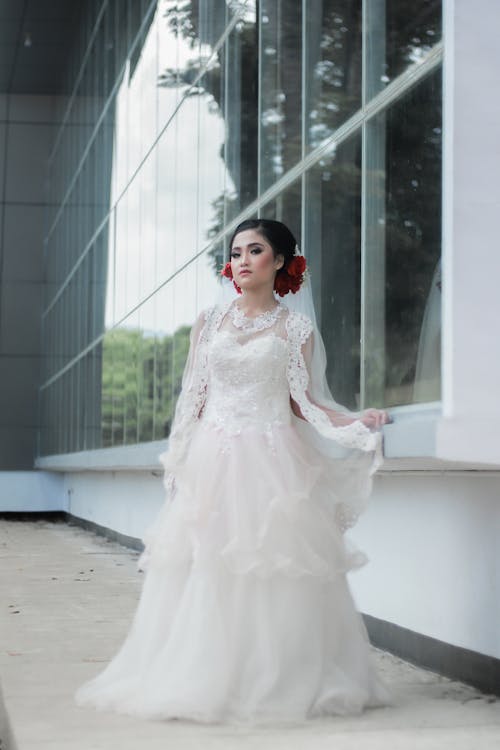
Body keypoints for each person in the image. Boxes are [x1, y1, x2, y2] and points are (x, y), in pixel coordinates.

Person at [75, 219, 391, 723]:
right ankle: (202, 674)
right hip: (212, 460)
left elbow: (306, 403)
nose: (242, 260)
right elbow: (192, 400)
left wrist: (357, 423)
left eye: (255, 250)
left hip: (272, 462)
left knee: (271, 571)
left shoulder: (295, 329)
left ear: (282, 261)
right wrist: (178, 463)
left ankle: (269, 677)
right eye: (236, 252)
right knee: (208, 569)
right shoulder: (211, 321)